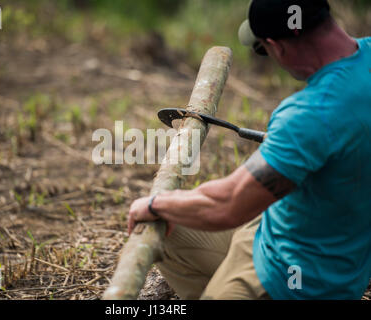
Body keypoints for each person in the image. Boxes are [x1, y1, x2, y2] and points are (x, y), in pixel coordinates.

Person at [127, 0, 371, 299]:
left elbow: (227, 205)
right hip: (269, 230)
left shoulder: (308, 116)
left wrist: (152, 204)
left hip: (294, 281)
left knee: (162, 215)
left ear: (276, 47)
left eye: (263, 50)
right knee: (170, 230)